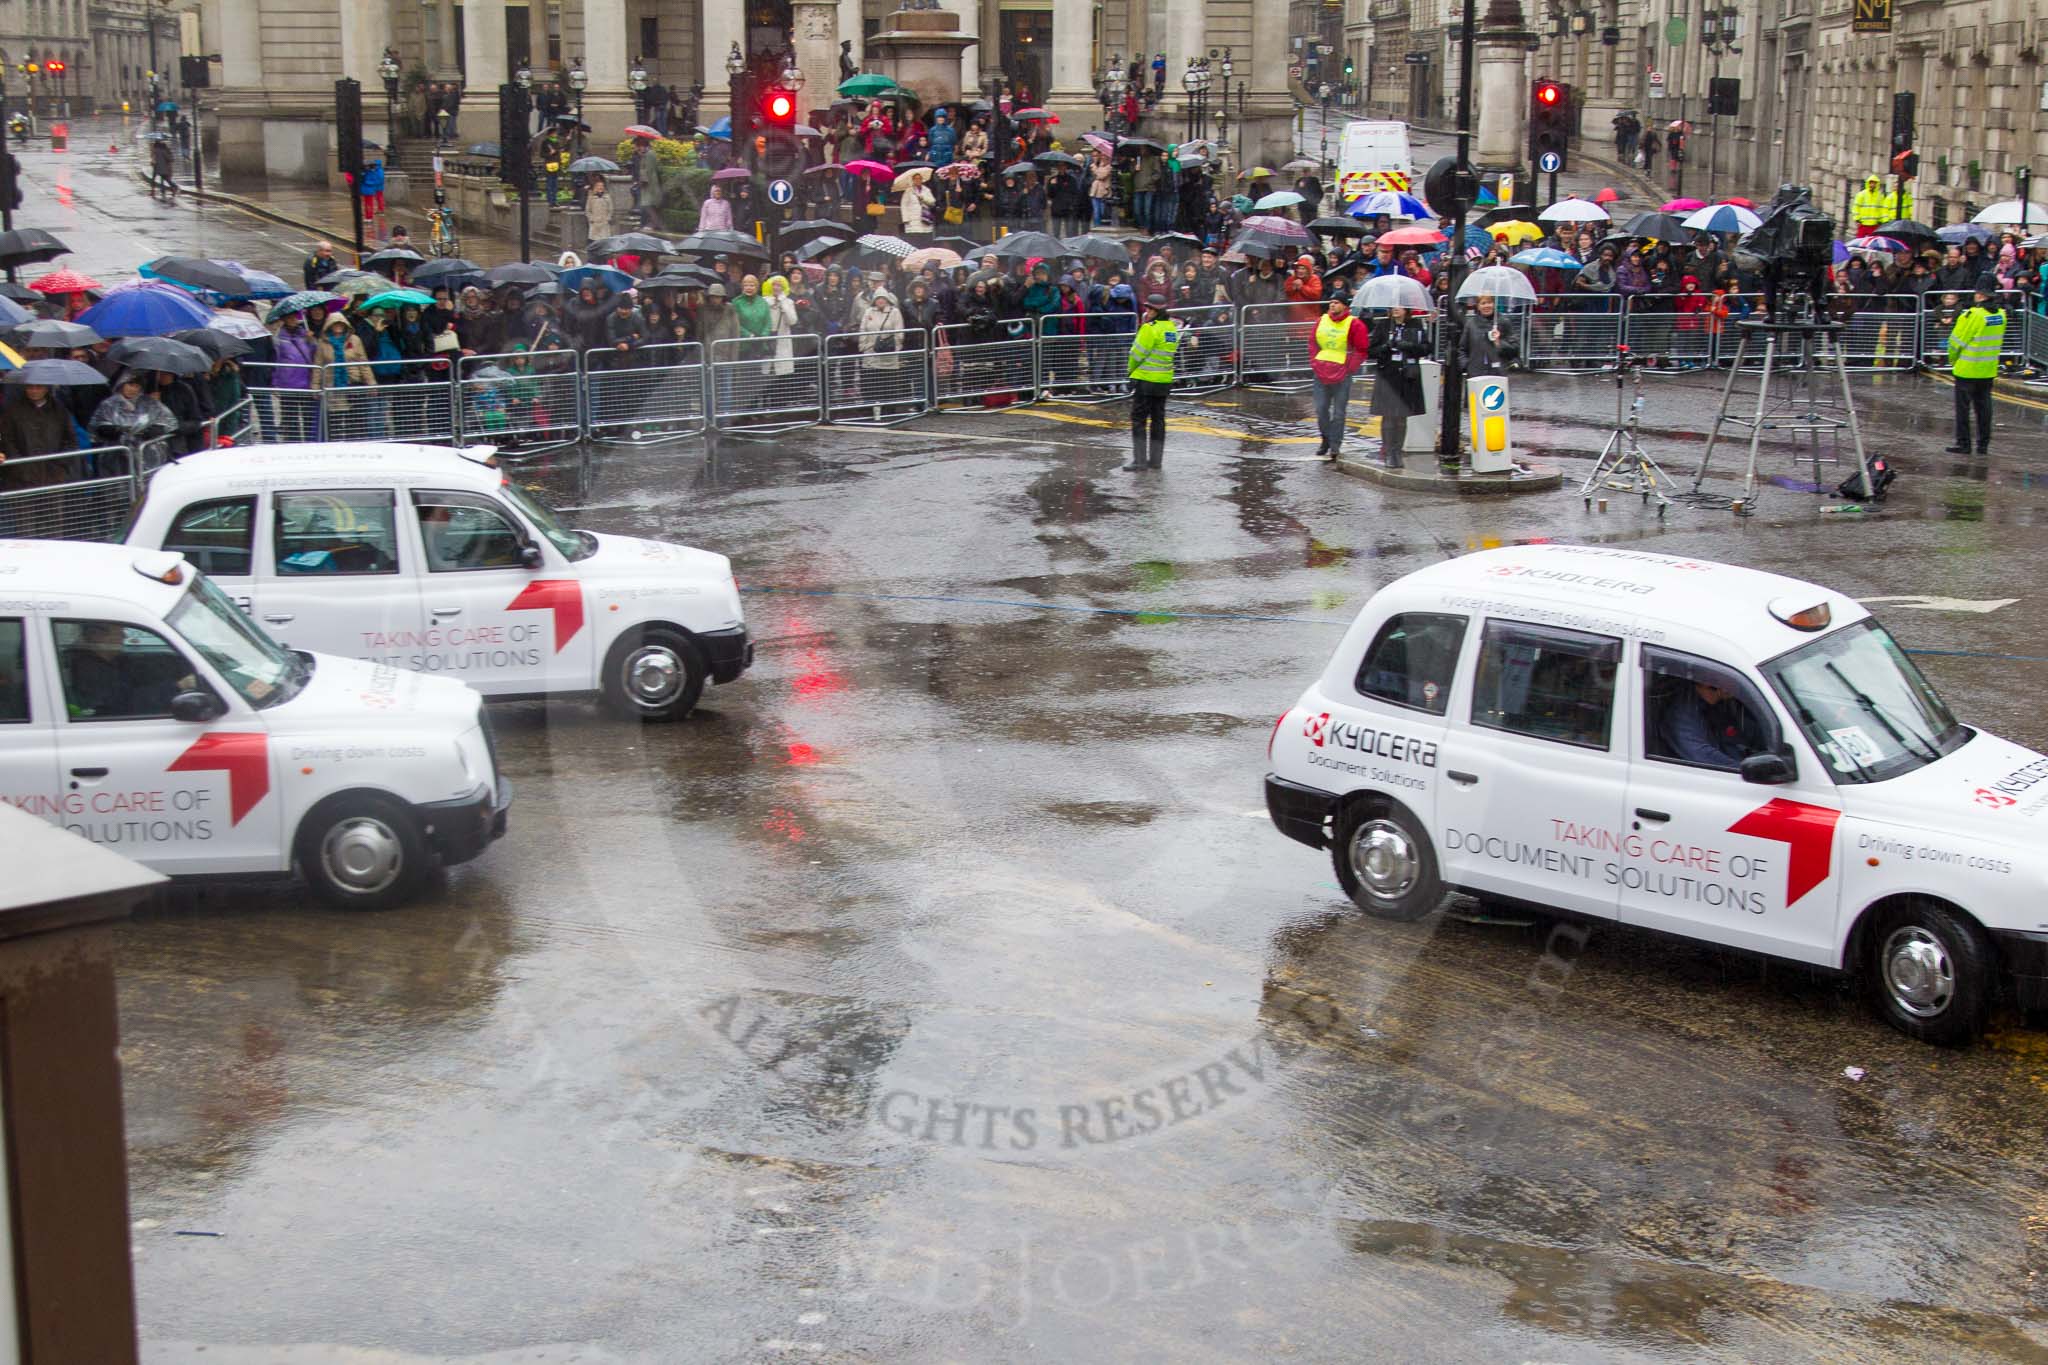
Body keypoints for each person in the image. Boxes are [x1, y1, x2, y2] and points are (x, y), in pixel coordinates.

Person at [1947, 277, 2005, 454]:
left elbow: (1956, 342)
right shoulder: (2000, 315)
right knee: (1984, 409)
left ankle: (1964, 444)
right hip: (1987, 370)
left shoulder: (1972, 315)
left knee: (1963, 410)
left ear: (1980, 295)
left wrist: (1953, 361)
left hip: (1967, 369)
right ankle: (1983, 445)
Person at [1368, 304, 1431, 469]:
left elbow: (1426, 348)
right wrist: (1386, 347)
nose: (1396, 309)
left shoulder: (1415, 326)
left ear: (1407, 310)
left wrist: (1407, 346)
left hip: (1407, 376)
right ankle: (1388, 452)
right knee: (1388, 416)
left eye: (1400, 306)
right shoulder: (1383, 325)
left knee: (1402, 417)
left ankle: (1397, 452)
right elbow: (1370, 351)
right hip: (1388, 376)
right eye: (1393, 306)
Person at [1124, 292, 1182, 471]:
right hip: (1164, 380)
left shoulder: (1149, 328)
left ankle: (1139, 461)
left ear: (1156, 311)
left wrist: (1130, 373)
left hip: (1145, 379)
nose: (1147, 311)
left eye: (1149, 308)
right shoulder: (1171, 328)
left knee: (1139, 419)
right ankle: (1156, 461)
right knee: (1158, 420)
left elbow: (1136, 354)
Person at [1309, 296, 1371, 461]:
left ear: (1345, 306)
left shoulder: (1354, 324)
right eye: (1331, 302)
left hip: (1342, 374)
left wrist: (1349, 368)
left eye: (1336, 302)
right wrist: (1315, 362)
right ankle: (1326, 439)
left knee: (1338, 412)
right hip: (1321, 372)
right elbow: (1313, 343)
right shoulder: (1321, 320)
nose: (1332, 305)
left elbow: (1361, 348)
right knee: (1321, 409)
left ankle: (1335, 445)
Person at [1657, 678, 1748, 769]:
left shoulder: (1720, 705)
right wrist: (1743, 769)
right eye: (1730, 679)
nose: (1736, 685)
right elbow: (1702, 755)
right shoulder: (1682, 714)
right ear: (1707, 683)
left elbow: (1732, 742)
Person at [1461, 293, 1519, 376]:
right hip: (1475, 373)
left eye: (1489, 302)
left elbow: (1515, 349)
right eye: (1483, 303)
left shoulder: (1504, 322)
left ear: (1494, 304)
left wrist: (1499, 342)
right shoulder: (1471, 324)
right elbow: (1462, 349)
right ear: (1478, 306)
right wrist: (1466, 366)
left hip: (1497, 373)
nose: (1487, 306)